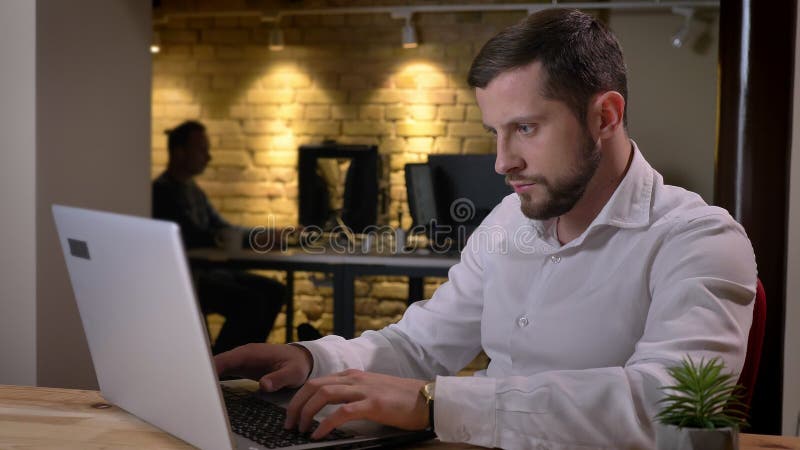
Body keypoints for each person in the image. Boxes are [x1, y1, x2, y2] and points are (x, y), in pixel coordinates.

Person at [214, 9, 757, 449]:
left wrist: (435, 403)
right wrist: (315, 360)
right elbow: (421, 345)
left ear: (606, 117)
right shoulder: (507, 221)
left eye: (526, 128)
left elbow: (662, 406)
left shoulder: (700, 240)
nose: (502, 162)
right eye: (495, 132)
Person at [152, 120, 286, 354]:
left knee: (274, 291)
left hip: (210, 273)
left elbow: (221, 229)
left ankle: (235, 364)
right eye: (202, 149)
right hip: (188, 278)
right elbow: (196, 235)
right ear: (179, 152)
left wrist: (260, 236)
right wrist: (253, 238)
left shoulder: (193, 190)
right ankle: (224, 367)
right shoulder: (162, 192)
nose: (208, 156)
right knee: (252, 302)